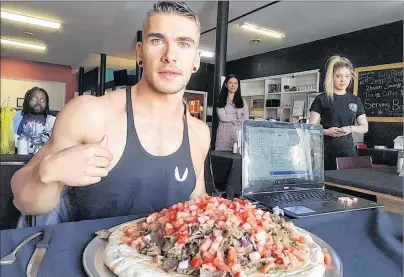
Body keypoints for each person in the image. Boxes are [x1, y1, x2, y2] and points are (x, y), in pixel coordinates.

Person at [11, 1, 211, 221]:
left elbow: (196, 206)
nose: (170, 55)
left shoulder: (199, 133)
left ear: (196, 61)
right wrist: (46, 172)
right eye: (157, 40)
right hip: (89, 255)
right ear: (140, 53)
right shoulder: (90, 114)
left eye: (183, 44)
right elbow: (25, 202)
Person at [309, 55, 368, 170]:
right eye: (338, 76)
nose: (343, 80)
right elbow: (311, 127)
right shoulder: (321, 99)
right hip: (324, 154)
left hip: (348, 154)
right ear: (332, 77)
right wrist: (326, 131)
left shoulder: (355, 100)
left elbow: (364, 127)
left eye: (347, 76)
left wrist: (350, 128)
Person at [215, 74, 249, 151]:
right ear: (226, 85)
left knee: (237, 161)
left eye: (235, 83)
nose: (233, 85)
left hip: (238, 136)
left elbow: (246, 119)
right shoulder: (220, 101)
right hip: (224, 136)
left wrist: (229, 116)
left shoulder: (243, 102)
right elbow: (223, 117)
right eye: (230, 83)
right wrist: (237, 117)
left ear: (238, 86)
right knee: (221, 159)